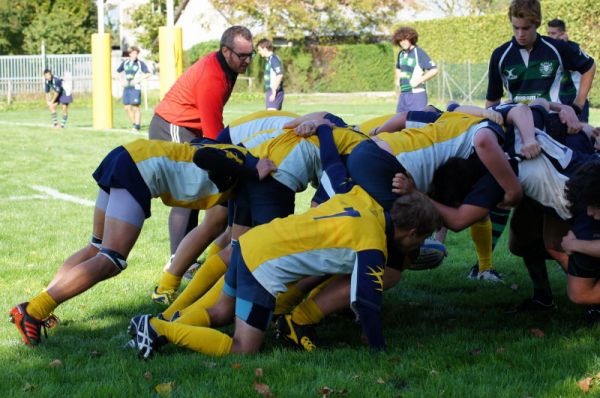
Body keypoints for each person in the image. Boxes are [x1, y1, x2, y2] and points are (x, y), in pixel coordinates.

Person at [127, 125, 443, 358]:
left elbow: (333, 166)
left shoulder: (359, 196)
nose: (417, 249)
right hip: (262, 267)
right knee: (243, 349)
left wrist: (324, 131)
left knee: (222, 311)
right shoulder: (372, 247)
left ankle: (155, 324)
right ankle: (158, 329)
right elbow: (368, 305)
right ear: (412, 232)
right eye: (421, 240)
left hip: (252, 244)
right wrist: (381, 353)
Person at [8, 138, 276, 347]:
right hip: (137, 169)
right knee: (111, 260)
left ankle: (34, 308)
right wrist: (251, 167)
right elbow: (204, 155)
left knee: (96, 247)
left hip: (126, 155)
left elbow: (228, 234)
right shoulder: (244, 162)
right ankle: (33, 311)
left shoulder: (238, 175)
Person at [147, 26, 254, 275]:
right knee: (187, 191)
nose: (247, 61)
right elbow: (214, 135)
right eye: (242, 56)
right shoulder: (213, 77)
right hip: (172, 126)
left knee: (194, 190)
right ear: (226, 51)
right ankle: (177, 261)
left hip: (189, 128)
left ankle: (187, 259)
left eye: (251, 55)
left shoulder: (229, 67)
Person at [486, 0, 595, 117]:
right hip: (517, 123)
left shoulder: (557, 48)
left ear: (537, 23)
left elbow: (589, 66)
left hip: (552, 122)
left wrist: (578, 105)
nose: (520, 34)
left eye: (526, 28)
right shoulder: (500, 55)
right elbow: (493, 100)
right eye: (516, 28)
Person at [546, 18, 592, 122]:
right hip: (558, 100)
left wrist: (565, 44)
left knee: (581, 132)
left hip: (577, 100)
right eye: (548, 33)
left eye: (553, 33)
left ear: (562, 34)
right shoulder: (549, 51)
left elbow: (570, 67)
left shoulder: (574, 49)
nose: (549, 37)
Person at [392, 26, 438, 113]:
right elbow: (398, 67)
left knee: (416, 123)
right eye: (400, 41)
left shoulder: (418, 52)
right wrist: (397, 80)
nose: (403, 42)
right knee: (399, 122)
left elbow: (434, 70)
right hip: (403, 94)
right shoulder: (401, 54)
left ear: (411, 39)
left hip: (417, 95)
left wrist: (419, 80)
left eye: (405, 39)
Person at [116, 46, 150, 133]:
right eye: (133, 53)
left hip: (135, 88)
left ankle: (136, 126)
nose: (135, 55)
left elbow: (148, 73)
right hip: (127, 87)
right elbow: (118, 72)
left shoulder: (140, 63)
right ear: (130, 54)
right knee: (127, 107)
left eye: (136, 53)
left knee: (135, 107)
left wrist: (138, 80)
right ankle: (134, 124)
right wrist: (121, 81)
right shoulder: (125, 63)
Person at [256, 39, 284, 110]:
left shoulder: (273, 59)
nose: (259, 52)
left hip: (275, 91)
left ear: (265, 48)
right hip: (271, 91)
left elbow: (279, 75)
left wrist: (274, 91)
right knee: (273, 118)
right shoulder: (269, 59)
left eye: (259, 50)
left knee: (271, 117)